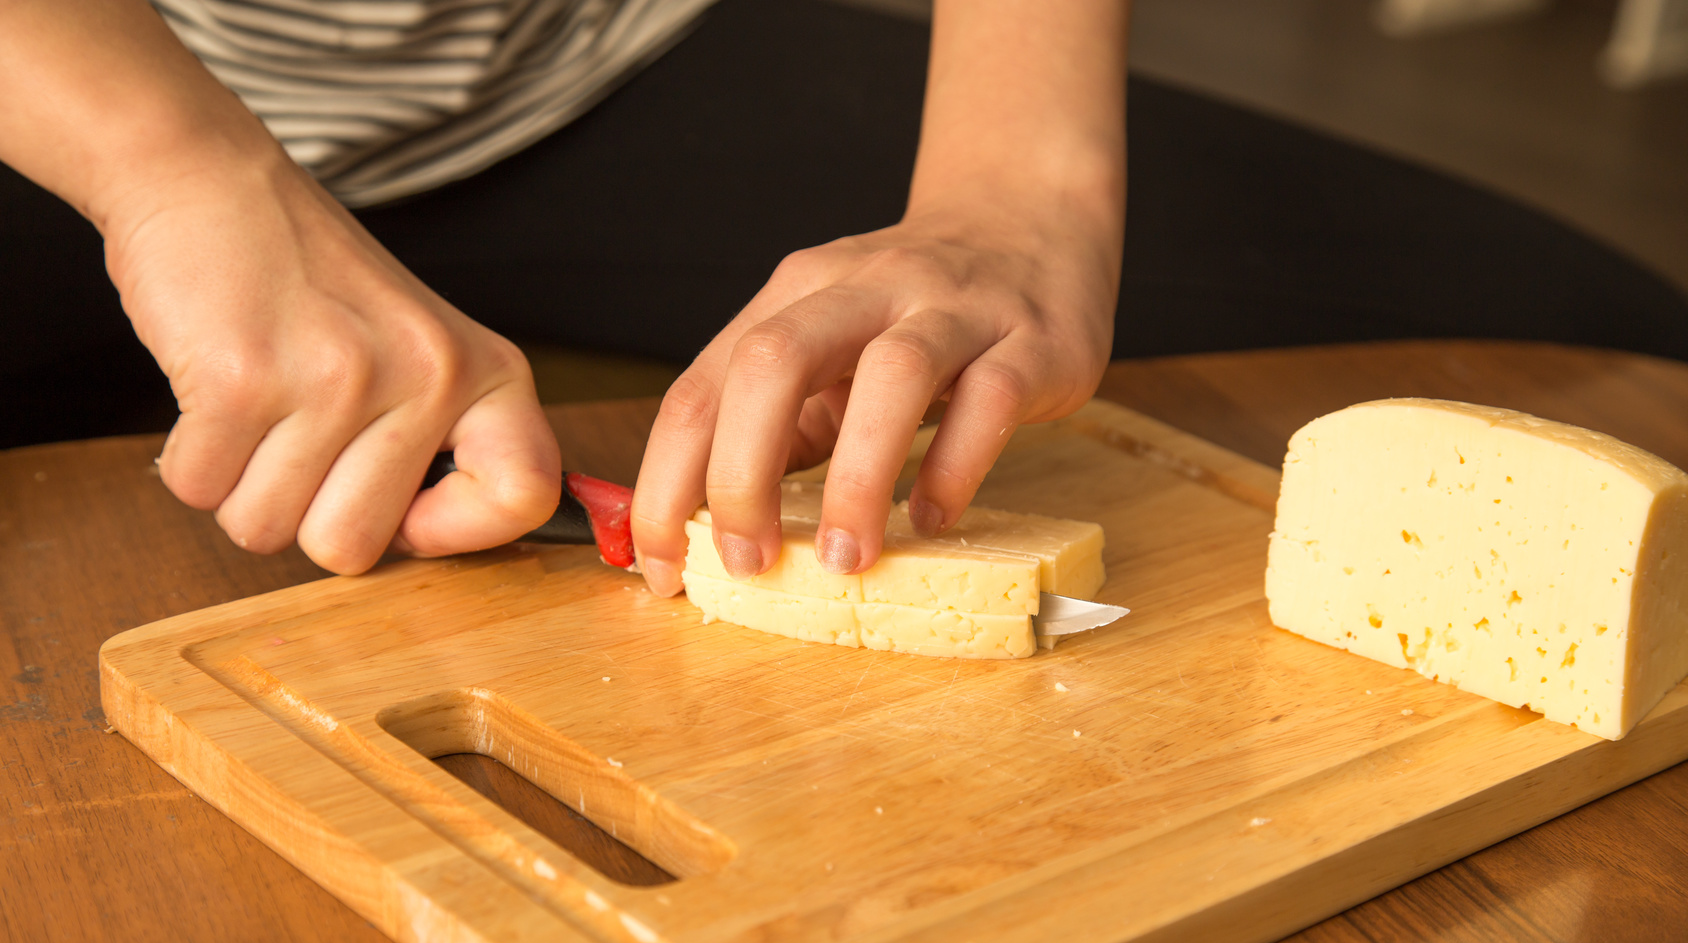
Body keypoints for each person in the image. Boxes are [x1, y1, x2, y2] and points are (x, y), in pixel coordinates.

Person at [4, 0, 1684, 594]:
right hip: (65, 95)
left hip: (595, 58)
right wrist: (172, 160)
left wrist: (1021, 190)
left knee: (1624, 349)